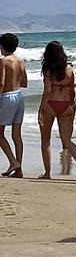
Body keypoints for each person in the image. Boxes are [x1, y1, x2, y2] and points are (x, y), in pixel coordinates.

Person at [38, 41, 76, 180]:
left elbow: (47, 91)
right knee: (67, 140)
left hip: (51, 104)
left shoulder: (48, 70)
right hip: (66, 104)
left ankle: (47, 172)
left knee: (45, 140)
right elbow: (73, 89)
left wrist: (41, 108)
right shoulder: (69, 69)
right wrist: (72, 103)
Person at [0, 33, 27, 178]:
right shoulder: (21, 61)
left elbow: (2, 83)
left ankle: (13, 161)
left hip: (6, 96)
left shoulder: (3, 61)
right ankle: (19, 169)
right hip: (18, 96)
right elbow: (25, 83)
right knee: (17, 135)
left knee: (0, 133)